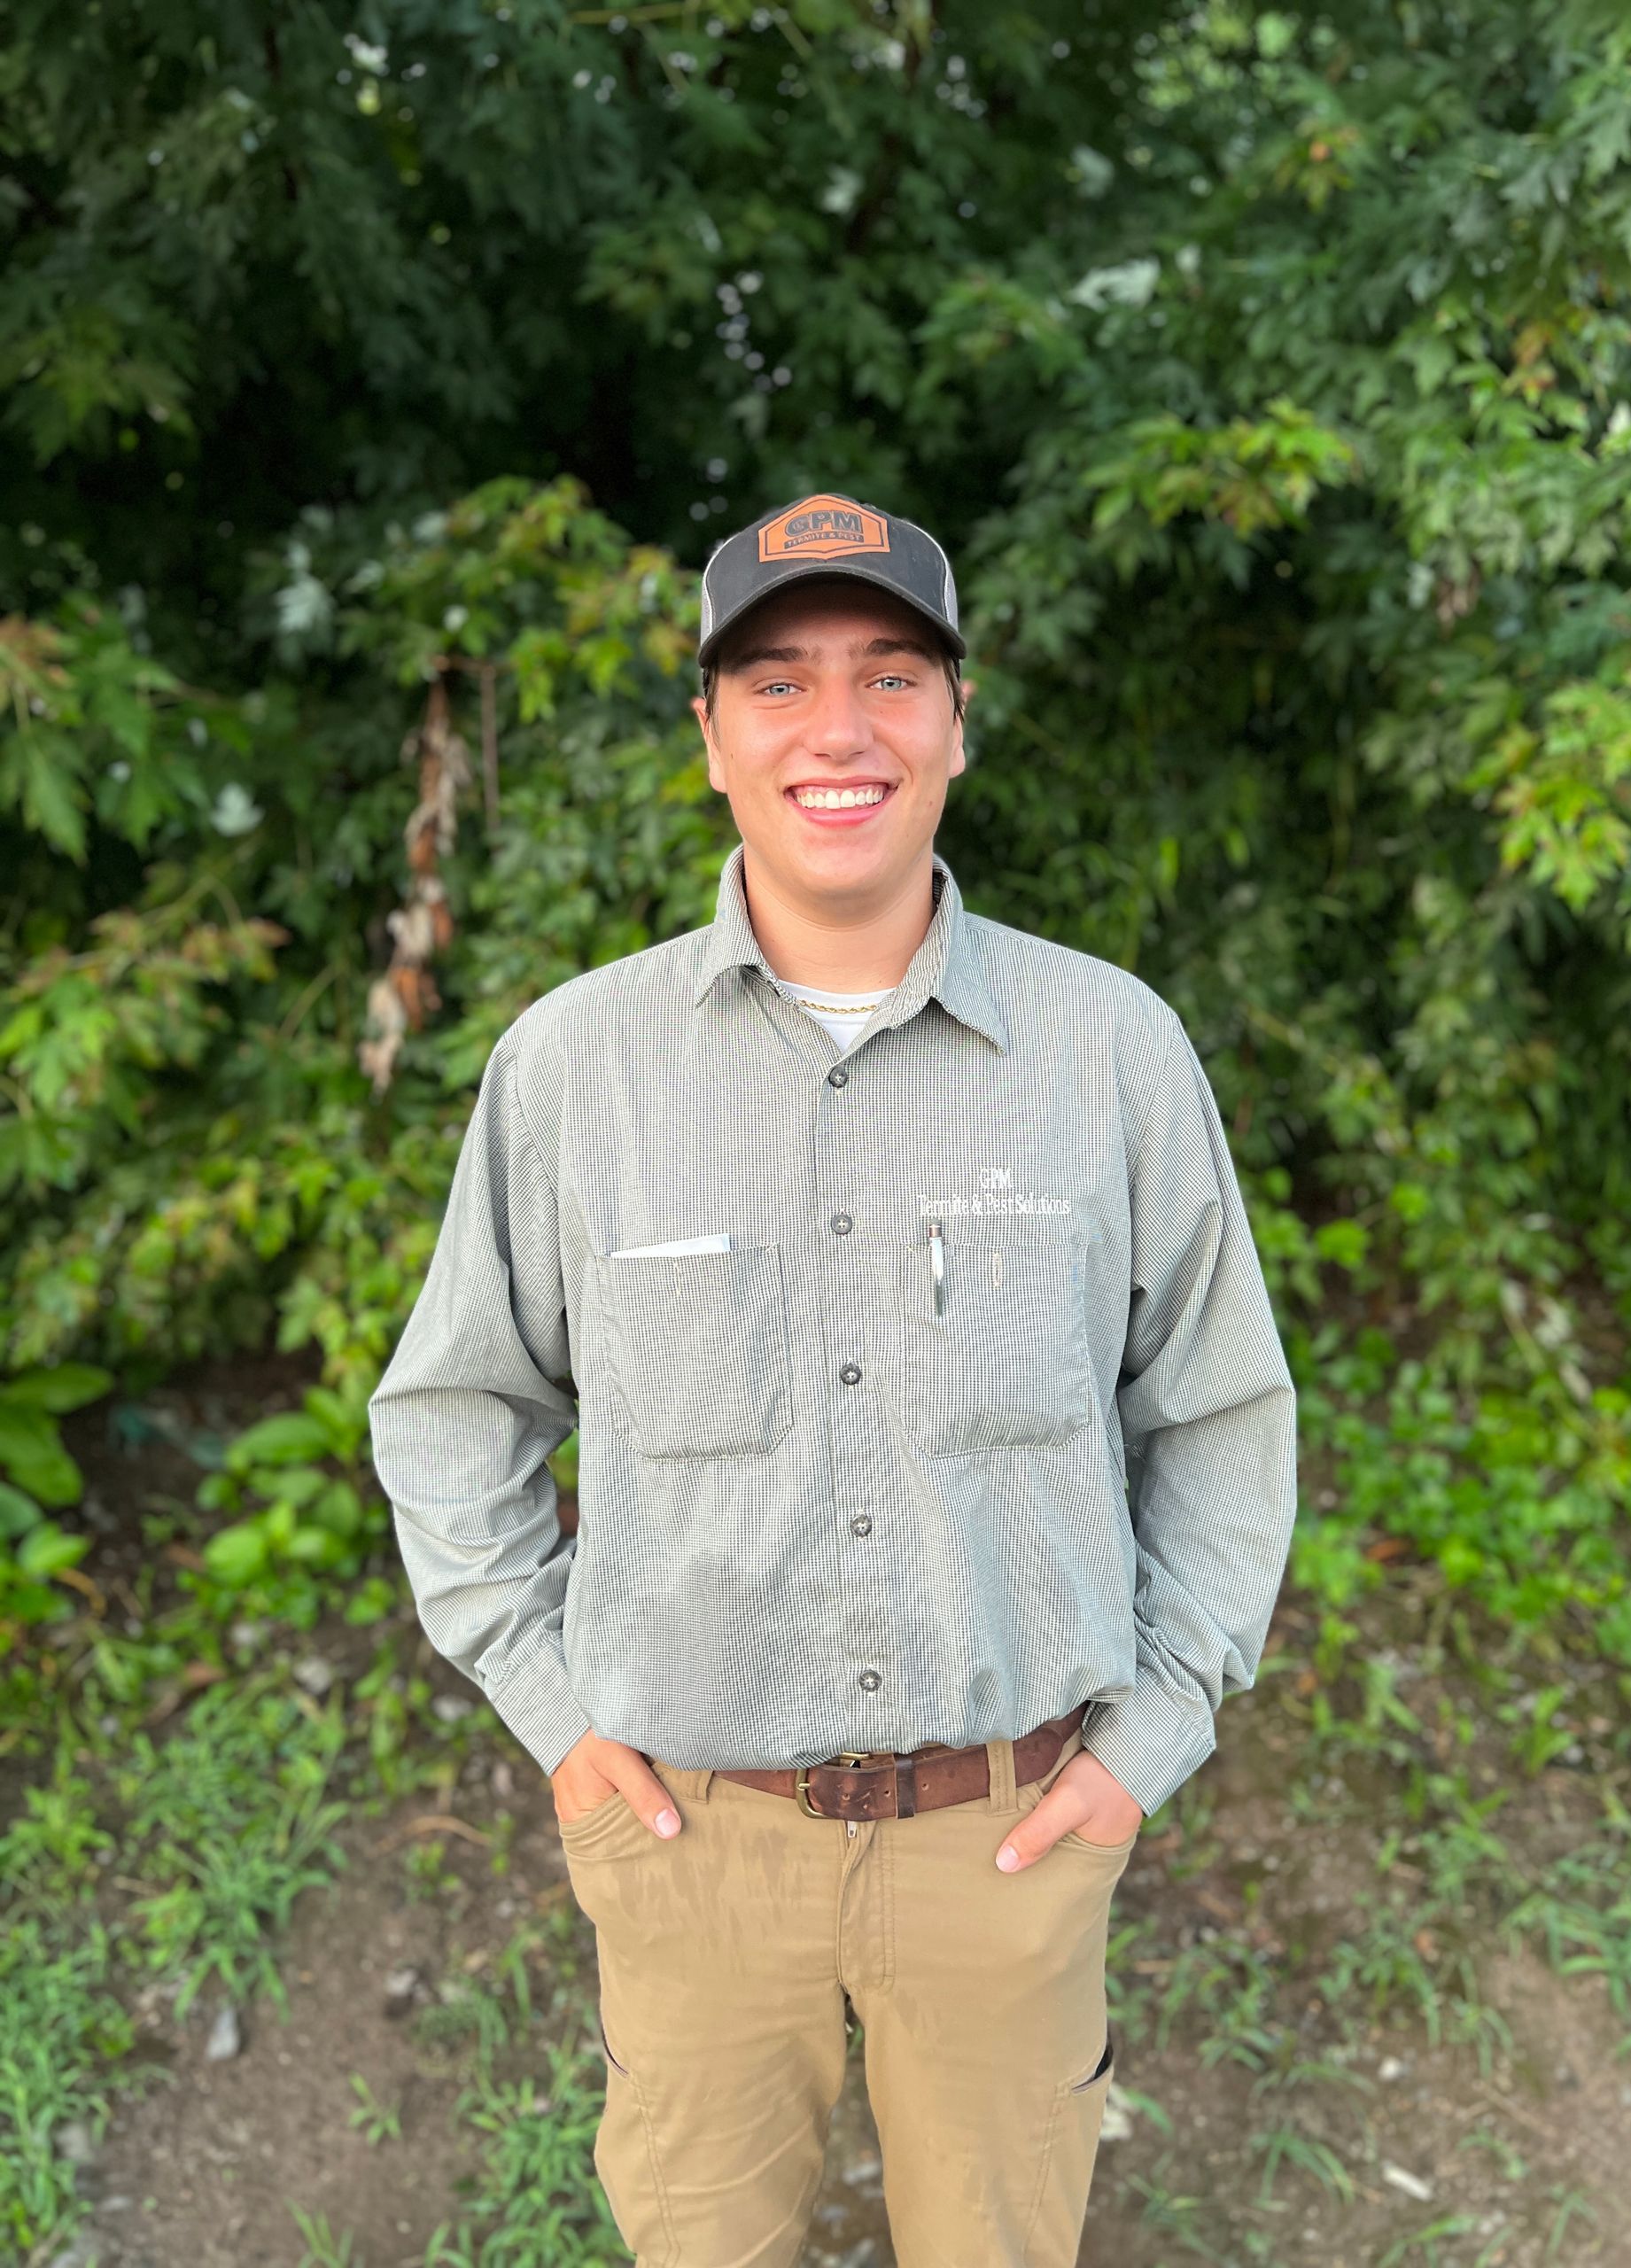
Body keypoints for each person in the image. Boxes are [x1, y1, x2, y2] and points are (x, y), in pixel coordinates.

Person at [367, 488, 1298, 2266]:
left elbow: (1220, 1412)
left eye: (890, 673)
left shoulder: (1111, 1050)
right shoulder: (578, 1066)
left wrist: (1152, 1735)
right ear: (712, 736)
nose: (839, 728)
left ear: (955, 720)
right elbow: (455, 1410)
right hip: (693, 1845)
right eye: (779, 683)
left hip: (1014, 1840)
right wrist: (561, 1724)